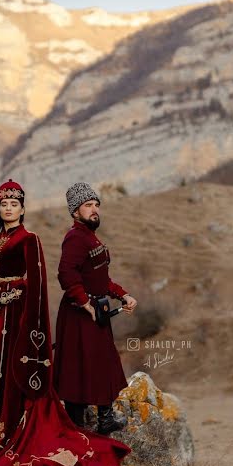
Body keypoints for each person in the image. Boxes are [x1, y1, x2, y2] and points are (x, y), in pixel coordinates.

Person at [0, 179, 130, 466]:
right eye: (4, 204)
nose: (8, 208)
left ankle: (8, 431)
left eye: (14, 204)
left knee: (11, 375)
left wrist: (9, 298)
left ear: (22, 208)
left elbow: (36, 283)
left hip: (14, 317)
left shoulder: (29, 239)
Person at [54, 182, 138, 435]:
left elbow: (102, 278)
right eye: (88, 205)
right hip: (79, 314)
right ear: (75, 211)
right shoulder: (75, 238)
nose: (94, 210)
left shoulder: (90, 237)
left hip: (96, 311)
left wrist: (122, 295)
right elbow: (66, 275)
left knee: (103, 363)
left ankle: (105, 420)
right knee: (76, 369)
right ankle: (75, 426)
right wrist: (84, 303)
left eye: (96, 205)